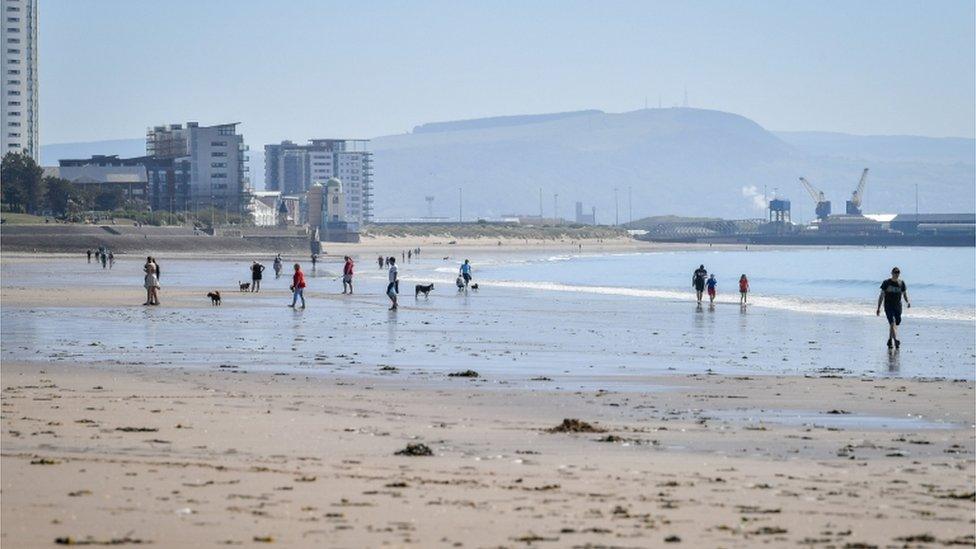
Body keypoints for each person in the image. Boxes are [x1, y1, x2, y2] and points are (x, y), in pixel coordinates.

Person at [877, 267, 910, 349]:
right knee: (892, 322)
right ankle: (896, 340)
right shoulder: (886, 283)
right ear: (891, 273)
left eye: (898, 273)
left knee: (896, 323)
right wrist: (878, 308)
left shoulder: (901, 283)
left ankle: (889, 340)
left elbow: (904, 294)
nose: (896, 274)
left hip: (898, 306)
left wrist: (907, 302)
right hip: (888, 306)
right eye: (895, 272)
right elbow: (881, 295)